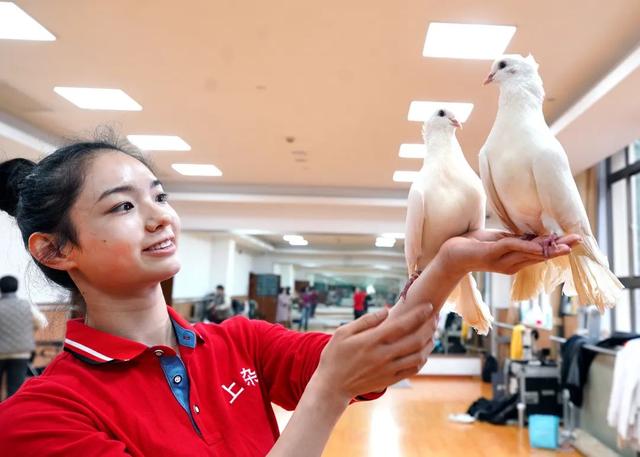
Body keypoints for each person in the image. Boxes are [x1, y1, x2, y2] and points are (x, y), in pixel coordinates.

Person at [0, 134, 579, 456]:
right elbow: (340, 377)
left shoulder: (238, 342)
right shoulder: (38, 418)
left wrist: (452, 261)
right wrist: (328, 391)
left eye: (159, 194)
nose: (159, 218)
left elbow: (382, 357)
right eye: (123, 206)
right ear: (54, 250)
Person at [0, 275, 48, 398]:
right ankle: (11, 415)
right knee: (15, 389)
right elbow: (43, 322)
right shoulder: (26, 305)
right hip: (21, 352)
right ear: (16, 288)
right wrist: (28, 330)